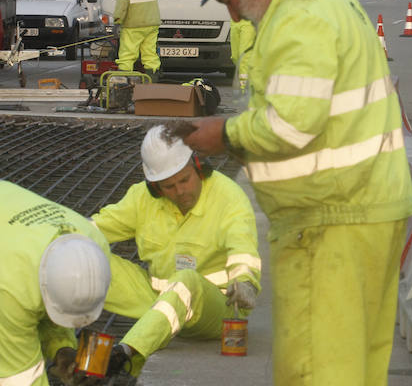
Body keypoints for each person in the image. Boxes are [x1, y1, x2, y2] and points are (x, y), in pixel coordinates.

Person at [182, 0, 412, 385]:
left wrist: (222, 135)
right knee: (354, 370)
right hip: (363, 214)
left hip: (328, 225)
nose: (232, 13)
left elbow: (290, 125)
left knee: (316, 372)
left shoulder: (298, 15)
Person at [91, 125, 261, 380]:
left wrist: (245, 280)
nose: (181, 191)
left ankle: (125, 354)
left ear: (199, 167)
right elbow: (92, 229)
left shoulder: (228, 198)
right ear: (154, 187)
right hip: (158, 299)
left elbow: (242, 245)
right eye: (168, 186)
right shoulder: (142, 199)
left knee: (187, 279)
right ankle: (67, 352)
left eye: (184, 179)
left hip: (215, 311)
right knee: (85, 261)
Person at [0, 181, 111, 386]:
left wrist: (62, 350)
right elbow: (21, 379)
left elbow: (50, 298)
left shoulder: (94, 242)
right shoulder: (10, 291)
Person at [229, 19, 256, 95]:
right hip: (235, 22)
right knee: (235, 57)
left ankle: (245, 89)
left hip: (248, 23)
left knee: (244, 57)